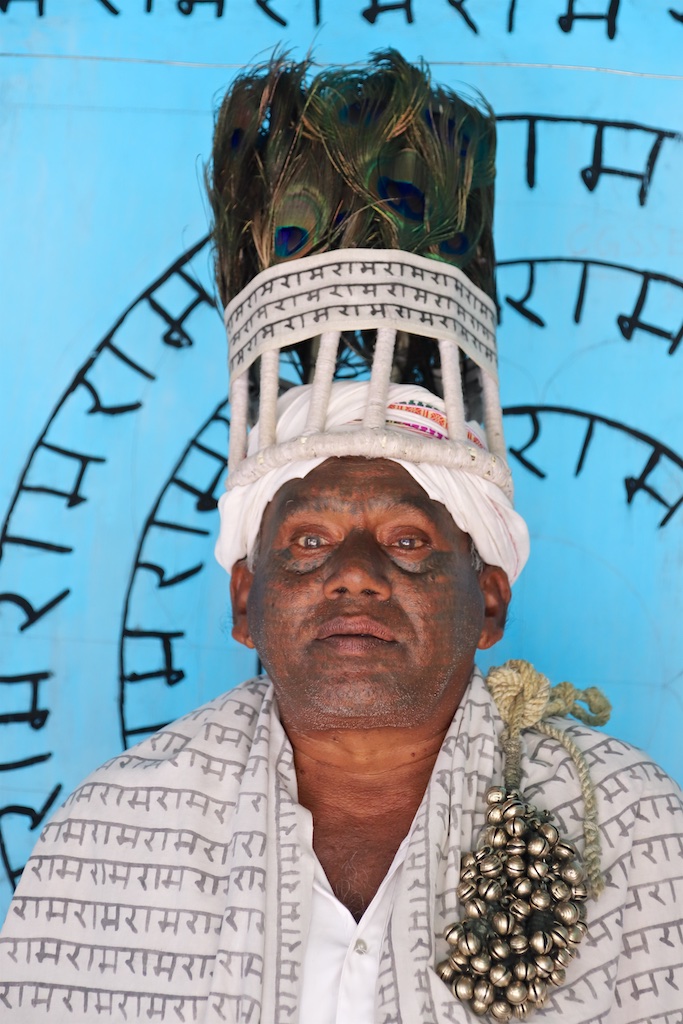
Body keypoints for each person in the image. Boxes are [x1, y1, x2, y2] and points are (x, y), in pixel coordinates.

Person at [1, 52, 682, 1024]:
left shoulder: (630, 828)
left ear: (488, 596)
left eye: (406, 541)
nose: (354, 575)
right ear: (245, 599)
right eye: (308, 543)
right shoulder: (105, 838)